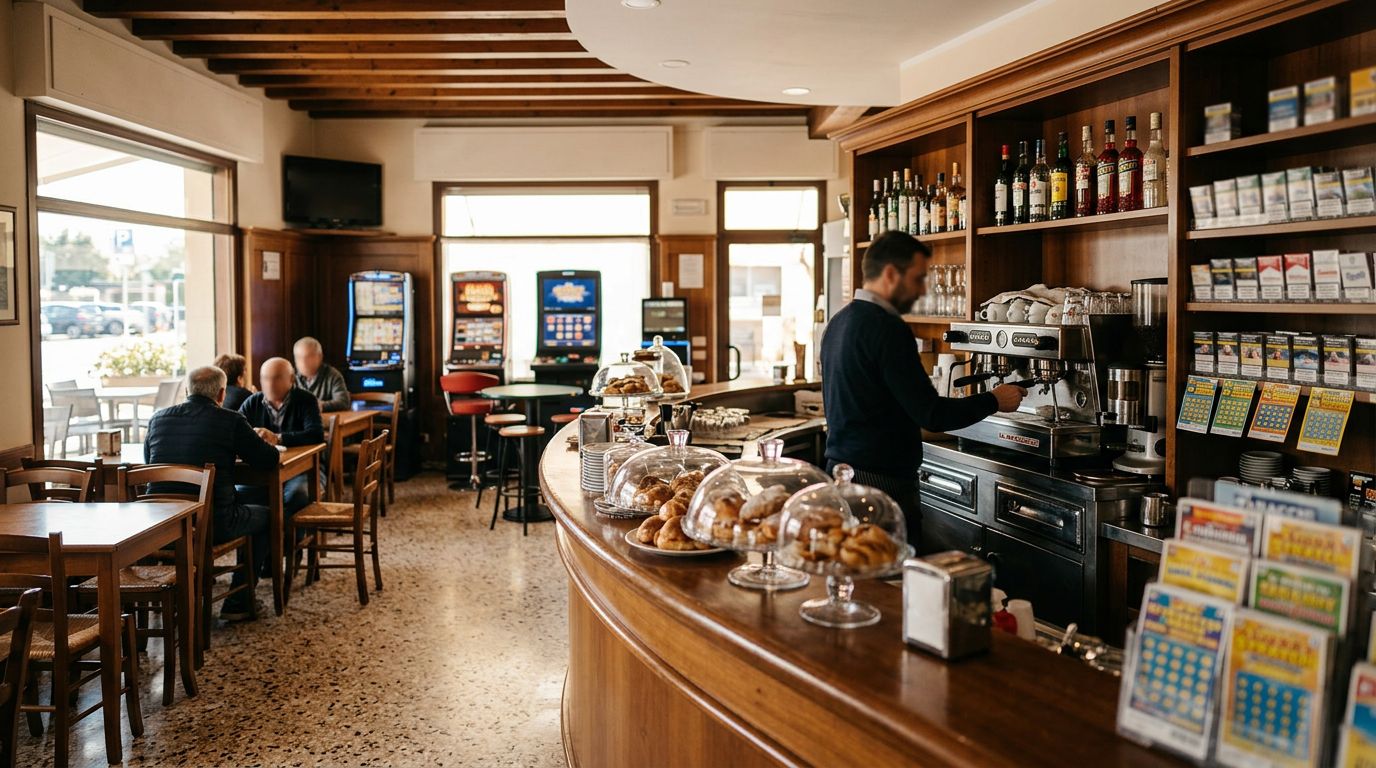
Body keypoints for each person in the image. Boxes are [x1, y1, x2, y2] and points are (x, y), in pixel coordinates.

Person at [820, 230, 1026, 545]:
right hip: (881, 485)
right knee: (891, 583)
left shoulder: (838, 322)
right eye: (917, 279)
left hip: (841, 475)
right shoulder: (887, 329)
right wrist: (995, 399)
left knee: (857, 576)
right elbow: (931, 414)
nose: (921, 290)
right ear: (891, 273)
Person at [144, 365, 278, 622]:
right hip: (212, 524)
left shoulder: (157, 419)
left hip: (160, 526)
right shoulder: (230, 420)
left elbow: (150, 463)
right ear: (221, 394)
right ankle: (239, 601)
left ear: (186, 391)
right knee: (266, 517)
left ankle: (171, 594)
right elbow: (268, 460)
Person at [238, 357, 324, 525]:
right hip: (263, 471)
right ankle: (259, 548)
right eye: (265, 378)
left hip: (304, 470)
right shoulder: (252, 402)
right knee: (241, 494)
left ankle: (291, 546)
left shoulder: (306, 400)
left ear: (291, 379)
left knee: (297, 495)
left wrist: (277, 437)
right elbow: (235, 434)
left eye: (277, 378)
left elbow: (316, 435)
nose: (270, 383)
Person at [293, 336, 350, 412]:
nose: (303, 362)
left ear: (320, 357)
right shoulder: (290, 377)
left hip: (325, 422)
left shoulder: (333, 375)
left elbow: (344, 402)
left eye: (308, 357)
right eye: (299, 357)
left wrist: (322, 406)